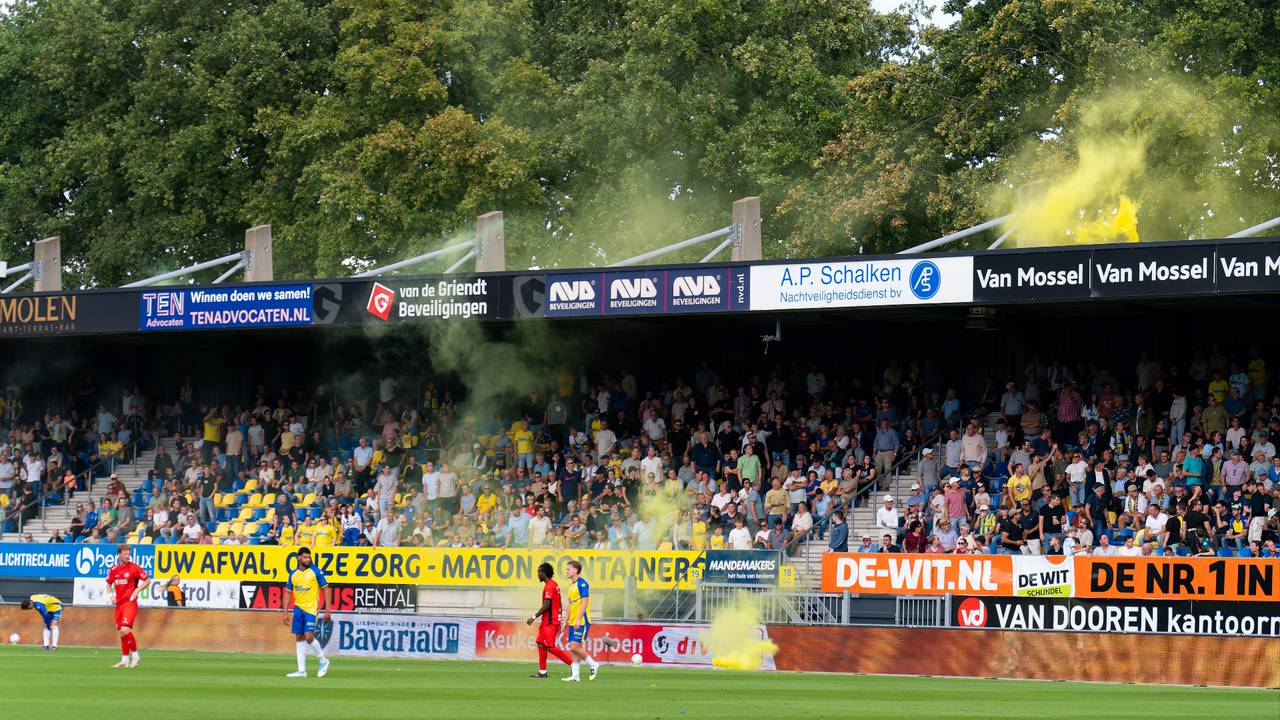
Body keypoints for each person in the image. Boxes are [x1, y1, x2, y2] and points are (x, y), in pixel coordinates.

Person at [561, 559, 619, 682]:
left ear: (575, 570)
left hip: (581, 621)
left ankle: (593, 664)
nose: (566, 571)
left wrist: (578, 618)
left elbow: (585, 602)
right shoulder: (571, 586)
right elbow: (570, 605)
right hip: (573, 621)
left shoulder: (582, 584)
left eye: (568, 569)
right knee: (574, 648)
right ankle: (575, 675)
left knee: (574, 646)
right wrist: (565, 620)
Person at [282, 546, 331, 678]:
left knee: (308, 637)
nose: (307, 559)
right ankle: (301, 671)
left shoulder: (316, 572)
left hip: (311, 609)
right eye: (305, 557)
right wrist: (285, 612)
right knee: (299, 637)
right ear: (299, 558)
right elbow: (288, 592)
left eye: (309, 557)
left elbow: (326, 589)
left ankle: (323, 661)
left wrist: (327, 610)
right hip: (298, 608)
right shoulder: (293, 574)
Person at [527, 562, 574, 679]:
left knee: (549, 646)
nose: (538, 575)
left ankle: (573, 665)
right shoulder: (554, 584)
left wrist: (533, 617)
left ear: (544, 573)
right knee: (540, 643)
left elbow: (547, 605)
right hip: (549, 620)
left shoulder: (549, 586)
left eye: (539, 572)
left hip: (550, 621)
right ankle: (542, 672)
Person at [106, 544, 148, 668]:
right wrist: (111, 596)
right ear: (119, 554)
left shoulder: (134, 568)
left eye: (128, 554)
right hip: (119, 604)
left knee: (125, 629)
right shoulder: (114, 569)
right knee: (121, 632)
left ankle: (136, 656)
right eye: (125, 554)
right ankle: (124, 659)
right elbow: (108, 584)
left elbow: (147, 580)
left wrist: (137, 590)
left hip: (130, 603)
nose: (127, 556)